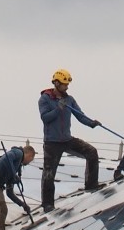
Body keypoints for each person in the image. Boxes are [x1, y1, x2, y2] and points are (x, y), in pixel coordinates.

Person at [39, 69, 103, 212]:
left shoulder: (69, 99)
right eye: (64, 84)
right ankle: (48, 204)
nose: (67, 87)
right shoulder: (45, 99)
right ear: (56, 83)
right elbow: (45, 118)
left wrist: (92, 123)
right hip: (52, 143)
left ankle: (91, 184)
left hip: (66, 139)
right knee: (49, 174)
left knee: (91, 152)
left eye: (67, 84)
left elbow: (80, 115)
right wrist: (58, 110)